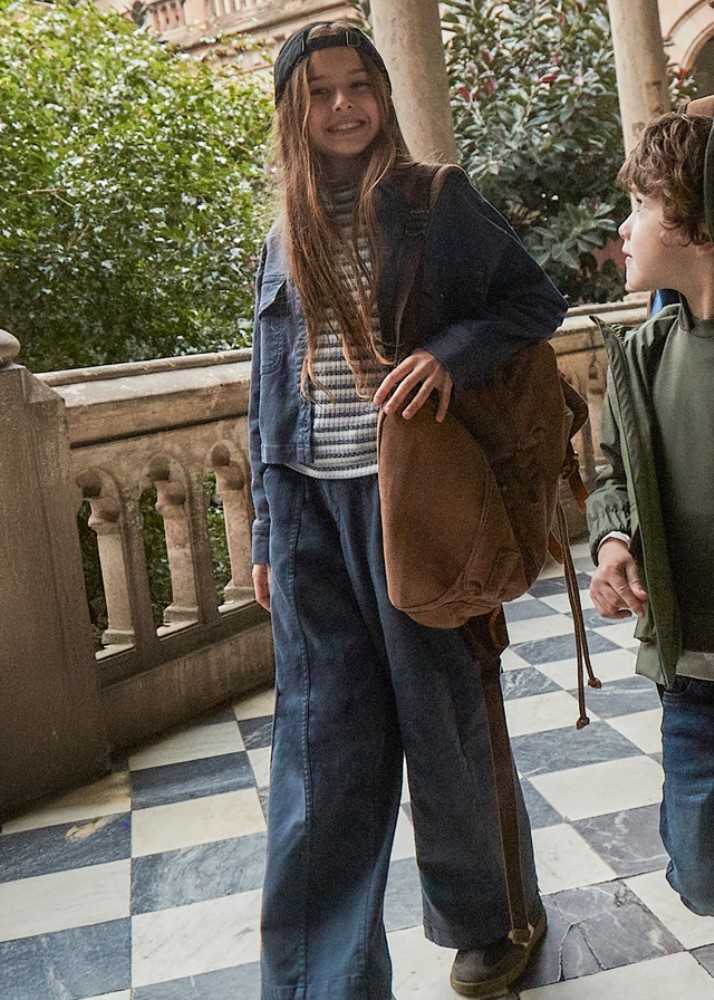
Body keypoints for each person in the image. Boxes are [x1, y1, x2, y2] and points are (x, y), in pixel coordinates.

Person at [249, 21, 568, 1000]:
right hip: (310, 515)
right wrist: (265, 531)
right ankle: (323, 977)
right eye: (320, 91)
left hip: (419, 504)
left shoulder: (435, 200)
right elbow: (267, 394)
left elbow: (534, 302)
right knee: (319, 748)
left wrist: (447, 353)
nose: (344, 105)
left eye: (360, 85)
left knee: (446, 722)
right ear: (292, 111)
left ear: (384, 94)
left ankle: (490, 921)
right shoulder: (281, 235)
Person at [587, 109, 714, 917]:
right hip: (694, 672)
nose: (625, 229)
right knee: (699, 870)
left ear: (698, 218)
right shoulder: (644, 355)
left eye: (642, 205)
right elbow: (614, 475)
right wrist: (612, 540)